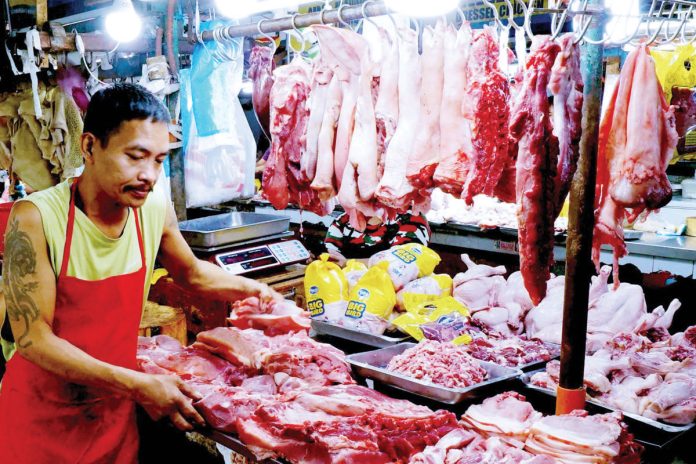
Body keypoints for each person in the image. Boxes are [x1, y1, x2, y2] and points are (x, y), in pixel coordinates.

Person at [0, 83, 281, 463]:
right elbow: (34, 339)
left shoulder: (153, 208)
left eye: (159, 160)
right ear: (89, 147)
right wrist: (137, 384)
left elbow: (193, 274)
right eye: (135, 157)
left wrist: (257, 292)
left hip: (113, 416)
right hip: (41, 420)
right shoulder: (35, 217)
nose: (148, 174)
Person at [325, 211, 431, 266]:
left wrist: (347, 263)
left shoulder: (412, 217)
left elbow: (402, 264)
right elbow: (332, 258)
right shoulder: (343, 221)